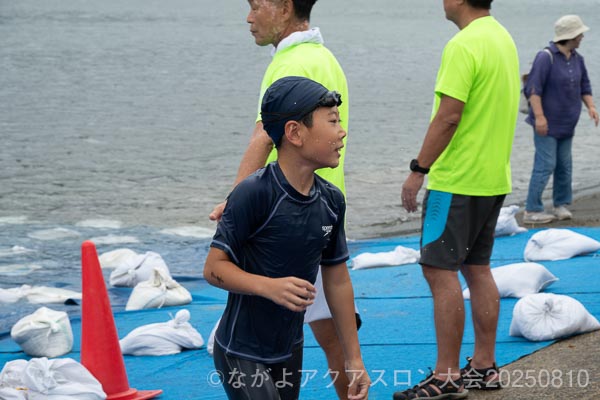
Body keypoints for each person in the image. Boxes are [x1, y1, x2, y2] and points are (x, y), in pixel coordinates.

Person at [208, 1, 357, 397]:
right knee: (328, 330)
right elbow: (214, 269)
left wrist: (236, 199)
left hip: (292, 212)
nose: (249, 17)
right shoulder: (325, 58)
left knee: (317, 325)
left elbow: (264, 135)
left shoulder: (288, 63)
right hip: (313, 212)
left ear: (285, 7)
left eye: (256, 5)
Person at [396, 0, 519, 399]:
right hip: (492, 177)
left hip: (457, 179)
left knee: (439, 270)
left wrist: (419, 169)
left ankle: (446, 376)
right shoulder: (502, 38)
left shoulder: (464, 44)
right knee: (477, 268)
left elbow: (449, 115)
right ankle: (484, 366)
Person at [523, 14, 599, 224]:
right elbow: (533, 90)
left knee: (564, 165)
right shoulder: (545, 57)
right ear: (571, 36)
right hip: (546, 124)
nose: (582, 37)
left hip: (568, 123)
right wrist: (539, 117)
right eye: (579, 34)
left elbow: (584, 86)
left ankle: (560, 204)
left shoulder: (577, 58)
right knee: (546, 164)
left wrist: (591, 107)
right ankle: (532, 209)